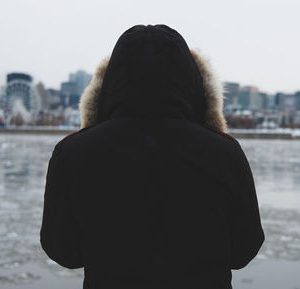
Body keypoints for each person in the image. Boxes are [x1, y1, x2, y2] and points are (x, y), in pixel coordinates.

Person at [40, 24, 264, 289]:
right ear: (194, 82)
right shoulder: (225, 153)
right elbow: (243, 250)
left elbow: (63, 251)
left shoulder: (73, 153)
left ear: (110, 82)